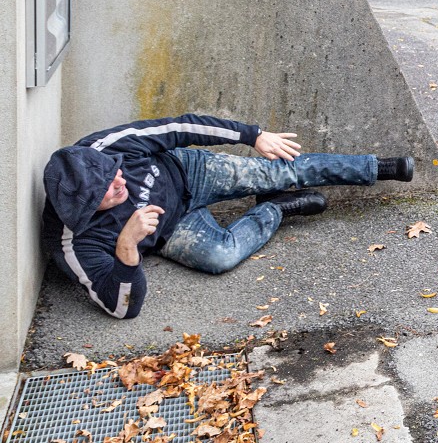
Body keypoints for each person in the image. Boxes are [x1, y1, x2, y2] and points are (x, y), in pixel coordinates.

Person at [42, 112, 416, 319]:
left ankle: (376, 168)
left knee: (277, 169)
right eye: (109, 189)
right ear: (88, 207)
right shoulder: (73, 242)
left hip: (188, 171)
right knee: (220, 256)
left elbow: (178, 127)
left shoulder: (104, 148)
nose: (119, 179)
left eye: (115, 171)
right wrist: (127, 247)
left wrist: (252, 136)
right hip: (172, 230)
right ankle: (276, 207)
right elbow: (120, 307)